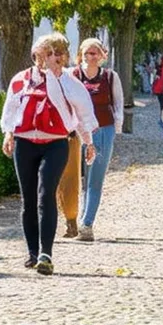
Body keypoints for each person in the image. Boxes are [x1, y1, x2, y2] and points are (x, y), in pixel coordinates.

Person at [0, 32, 97, 275]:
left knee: (46, 195)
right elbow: (11, 109)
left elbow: (83, 113)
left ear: (62, 57)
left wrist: (88, 142)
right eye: (44, 53)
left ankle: (46, 253)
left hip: (55, 144)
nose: (48, 58)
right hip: (25, 143)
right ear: (35, 55)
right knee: (29, 199)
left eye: (54, 53)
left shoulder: (68, 82)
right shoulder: (21, 80)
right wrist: (8, 134)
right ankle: (32, 252)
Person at [60, 37, 125, 243]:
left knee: (94, 179)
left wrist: (116, 129)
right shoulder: (72, 75)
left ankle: (87, 224)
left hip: (102, 129)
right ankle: (71, 220)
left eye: (95, 53)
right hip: (75, 132)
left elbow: (118, 104)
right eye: (87, 53)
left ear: (102, 55)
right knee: (71, 178)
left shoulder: (110, 77)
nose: (91, 56)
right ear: (81, 55)